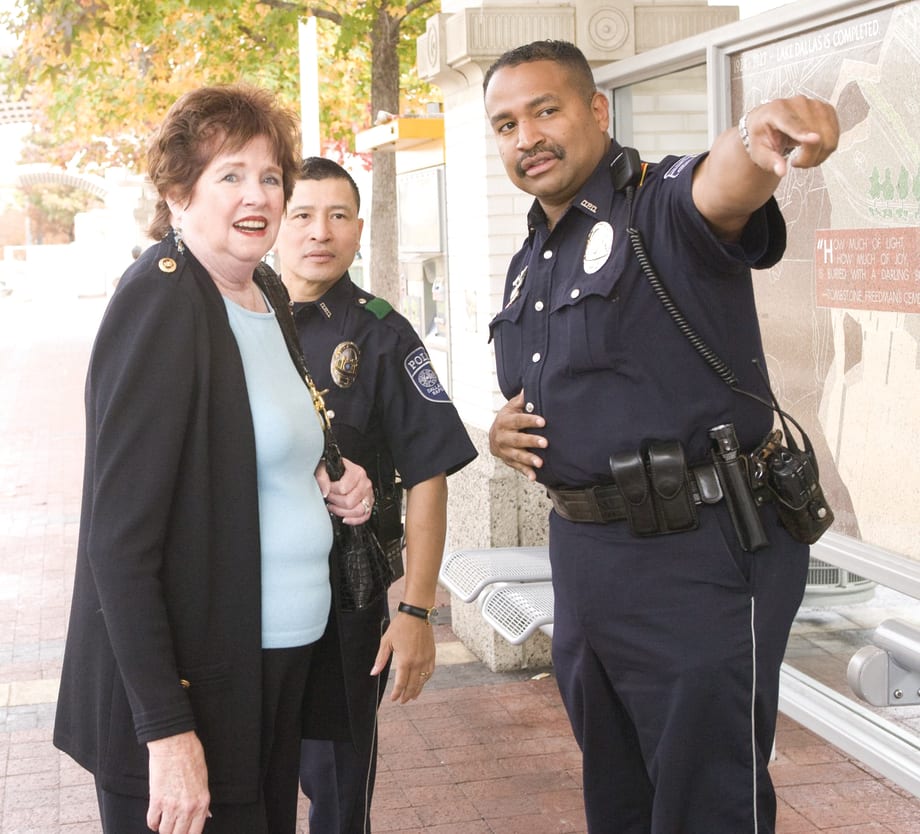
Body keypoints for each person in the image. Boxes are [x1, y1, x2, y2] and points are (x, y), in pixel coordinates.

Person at [483, 40, 840, 834]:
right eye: (506, 124)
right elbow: (551, 377)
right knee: (619, 794)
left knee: (707, 798)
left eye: (547, 110)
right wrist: (506, 426)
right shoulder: (530, 257)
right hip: (585, 558)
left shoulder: (655, 202)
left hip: (700, 551)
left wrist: (762, 135)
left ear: (597, 112)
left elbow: (723, 185)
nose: (527, 136)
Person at [53, 85, 376, 834]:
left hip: (272, 667)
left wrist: (336, 477)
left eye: (269, 176)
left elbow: (261, 444)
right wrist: (166, 732)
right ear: (177, 191)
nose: (257, 195)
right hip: (198, 684)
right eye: (229, 175)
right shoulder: (161, 303)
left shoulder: (262, 289)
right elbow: (119, 542)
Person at [275, 156, 477, 833]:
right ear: (277, 219)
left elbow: (428, 473)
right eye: (302, 214)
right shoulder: (239, 320)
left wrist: (416, 610)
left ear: (359, 229)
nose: (318, 232)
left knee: (337, 785)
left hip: (346, 597)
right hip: (251, 590)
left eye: (337, 216)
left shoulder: (380, 334)